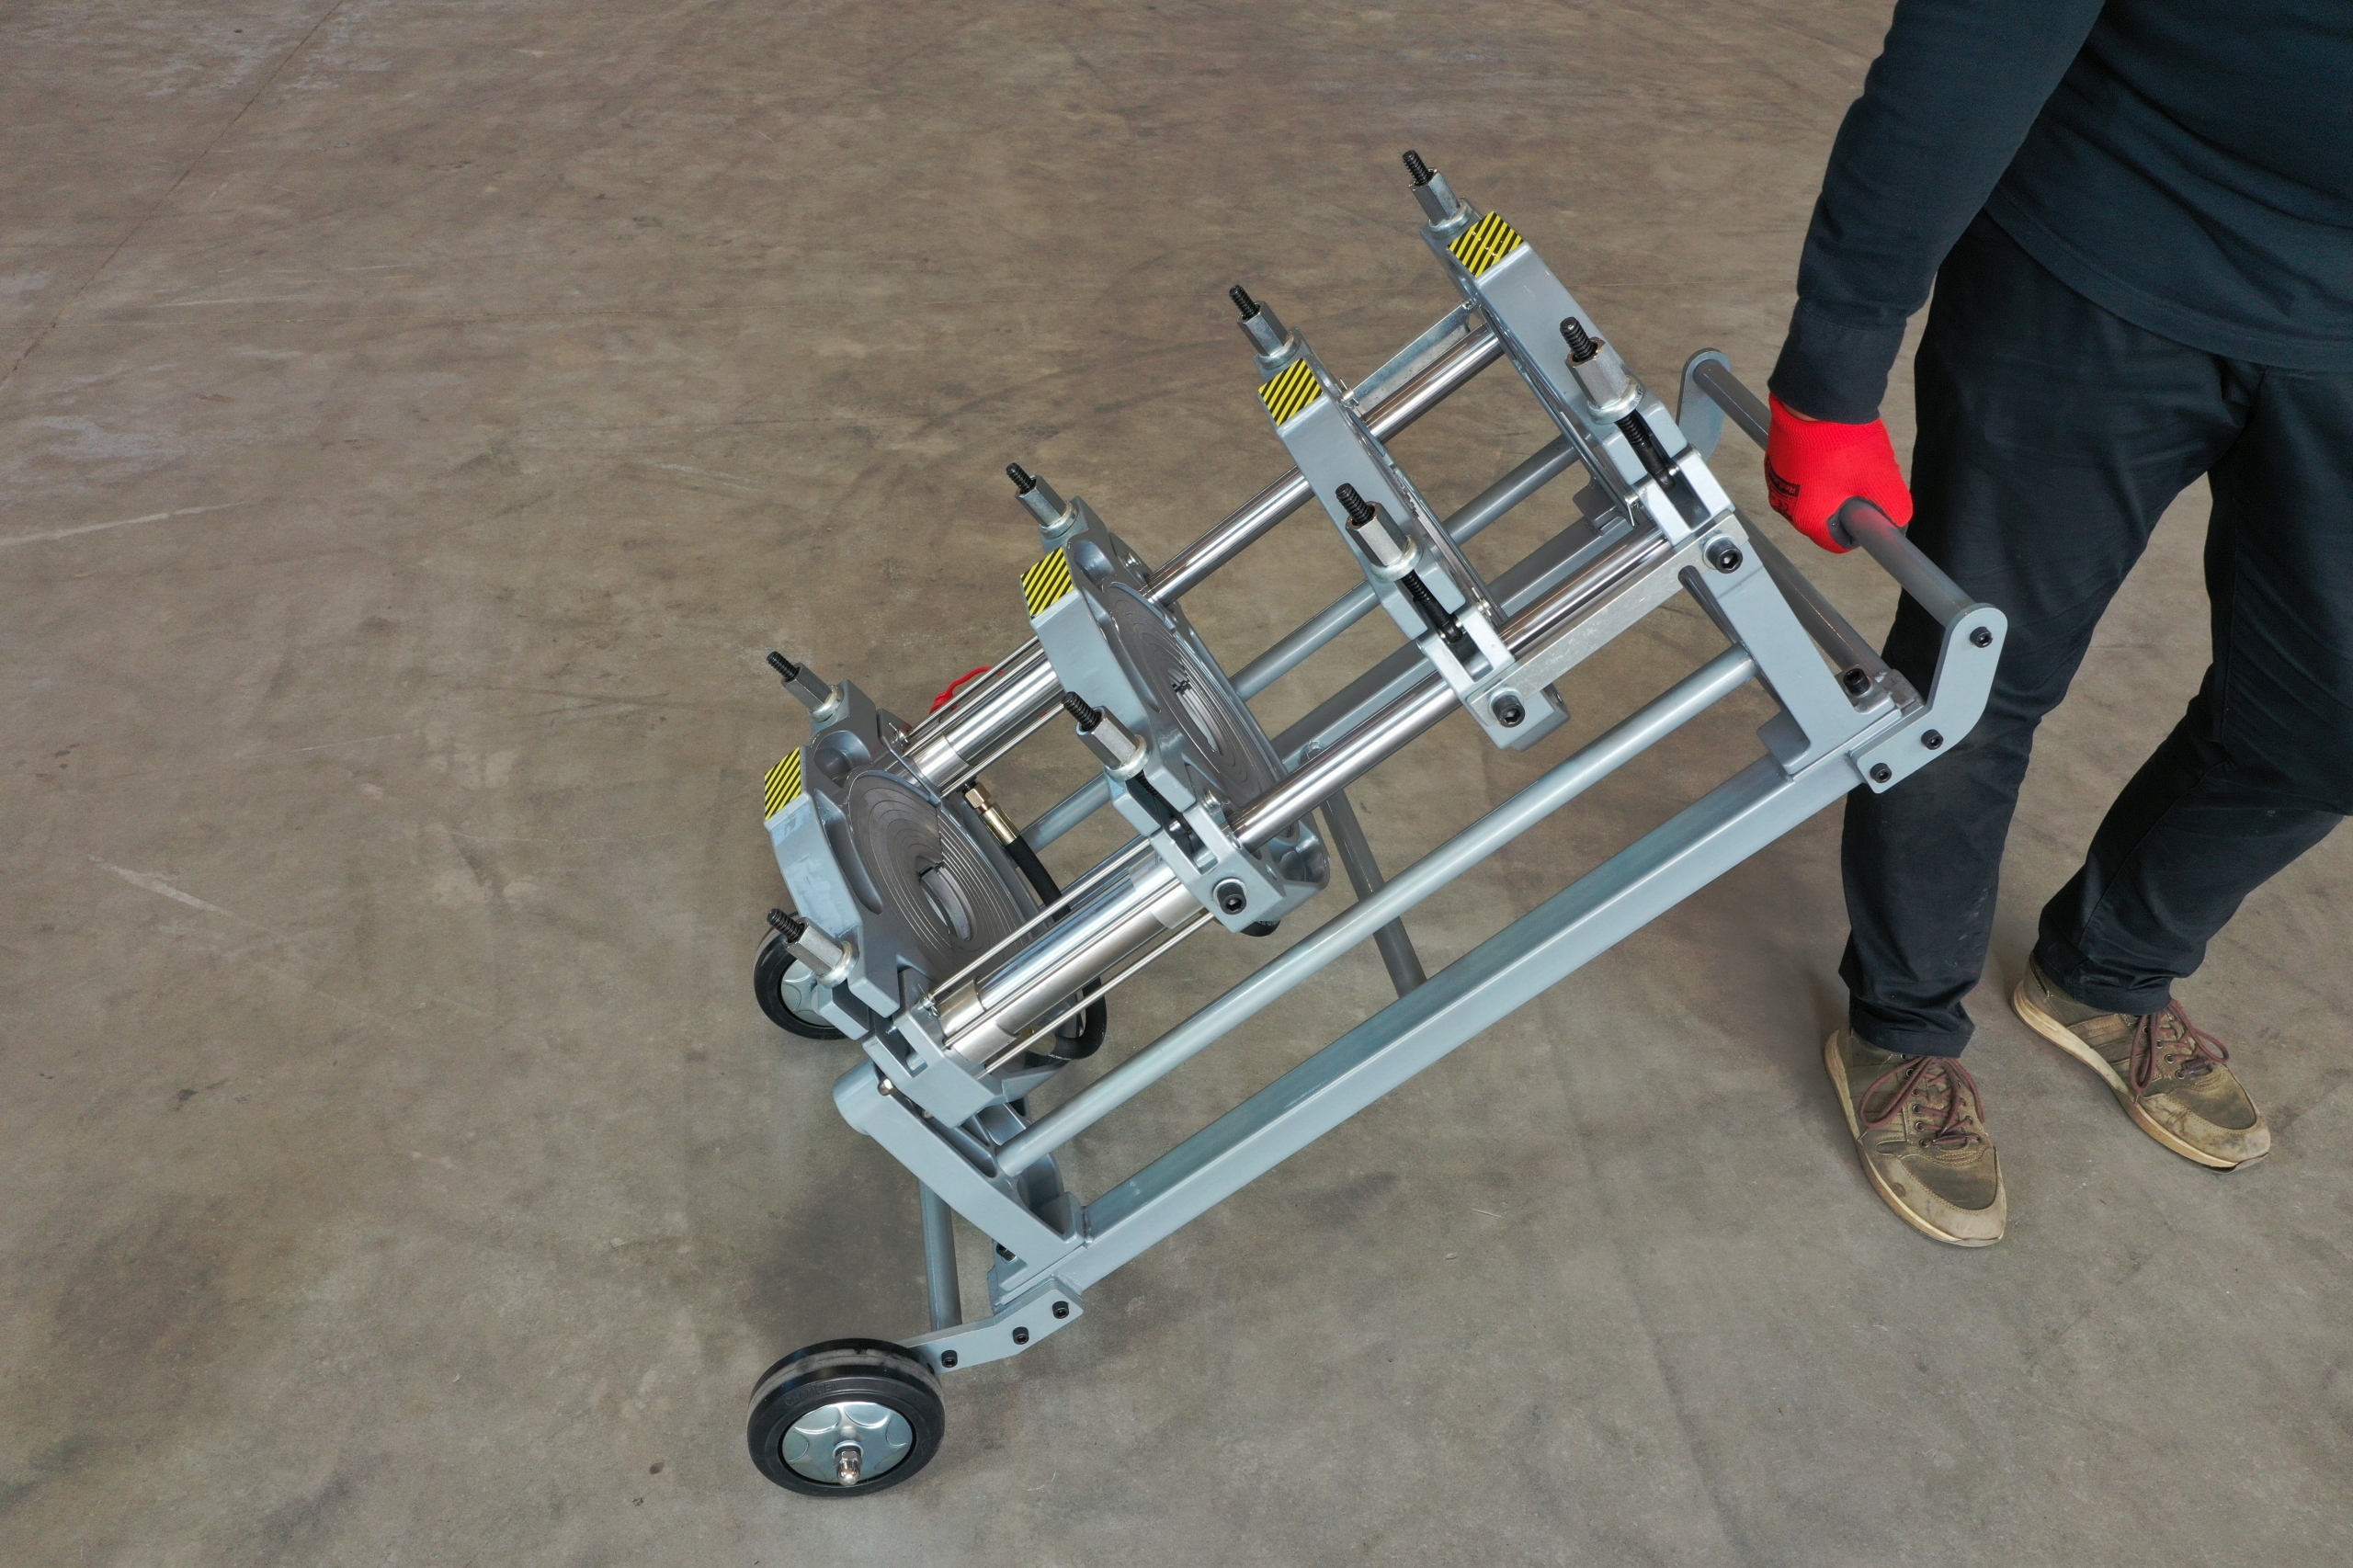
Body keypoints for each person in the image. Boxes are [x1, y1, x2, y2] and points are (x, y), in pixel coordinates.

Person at [1761, 0, 2353, 1245]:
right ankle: (1903, 1023)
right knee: (1975, 678)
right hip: (2106, 237)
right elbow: (1982, 24)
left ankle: (2107, 966)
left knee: (2330, 720)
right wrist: (1837, 358)